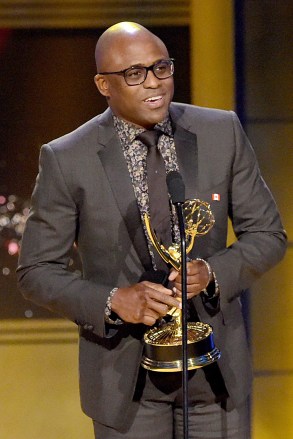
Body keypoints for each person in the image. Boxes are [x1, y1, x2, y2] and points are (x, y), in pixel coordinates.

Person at [17, 22, 287, 439]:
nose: (154, 83)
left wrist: (212, 273)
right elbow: (35, 271)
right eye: (134, 73)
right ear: (103, 85)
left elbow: (269, 235)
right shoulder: (67, 158)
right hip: (126, 385)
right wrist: (113, 301)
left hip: (216, 375)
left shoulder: (221, 133)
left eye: (162, 67)